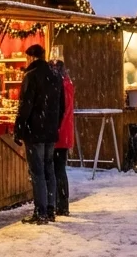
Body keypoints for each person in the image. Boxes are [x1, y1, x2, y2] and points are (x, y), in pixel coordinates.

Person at [14, 44, 65, 225]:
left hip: (34, 131)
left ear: (31, 57)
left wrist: (19, 129)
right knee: (49, 170)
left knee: (37, 172)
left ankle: (41, 211)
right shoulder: (55, 76)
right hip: (50, 132)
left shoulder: (31, 76)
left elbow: (25, 106)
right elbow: (62, 107)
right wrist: (54, 125)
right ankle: (50, 209)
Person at [51, 59, 75, 217]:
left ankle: (59, 204)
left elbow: (58, 111)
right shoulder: (68, 84)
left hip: (58, 133)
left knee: (56, 170)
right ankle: (63, 204)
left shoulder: (58, 86)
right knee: (60, 170)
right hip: (65, 133)